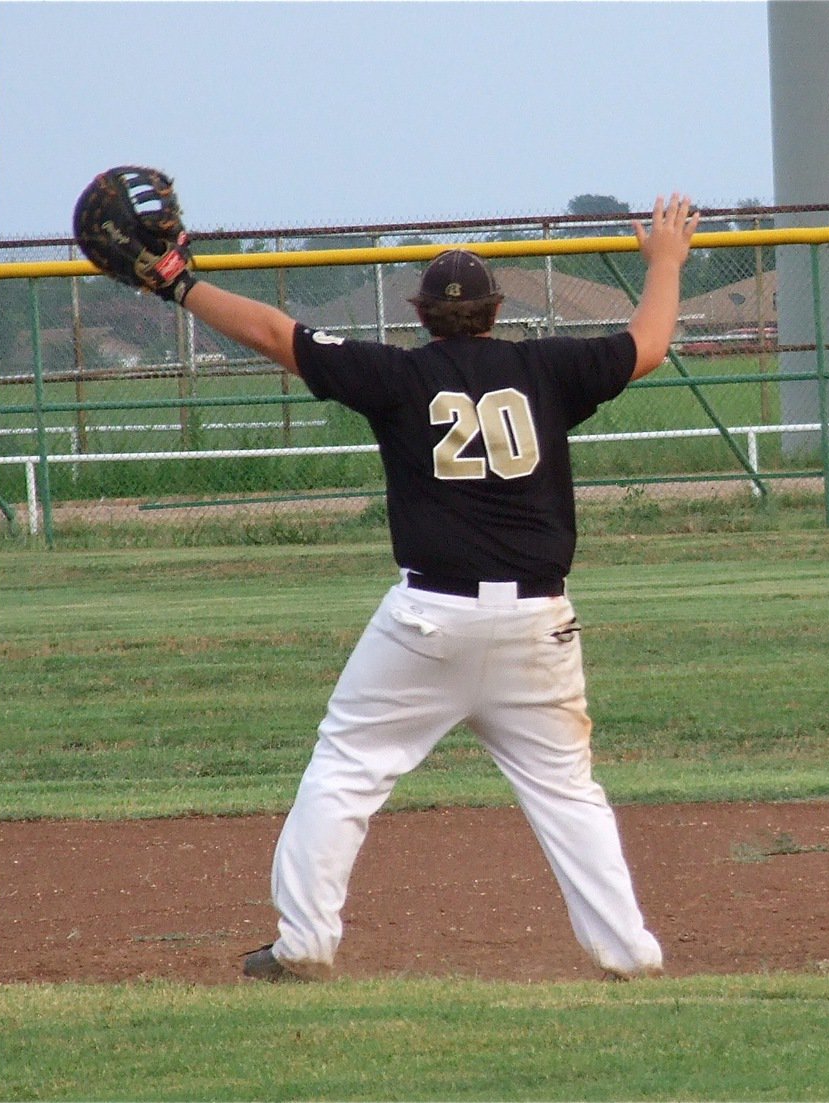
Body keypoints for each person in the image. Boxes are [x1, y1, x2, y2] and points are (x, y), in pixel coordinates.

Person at [167, 194, 699, 982]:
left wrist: (178, 281)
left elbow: (274, 333)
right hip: (539, 623)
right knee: (567, 793)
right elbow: (649, 344)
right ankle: (629, 953)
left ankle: (306, 941)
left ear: (421, 315)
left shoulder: (400, 376)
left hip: (427, 621)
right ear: (495, 311)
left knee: (347, 765)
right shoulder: (546, 369)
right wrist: (666, 260)